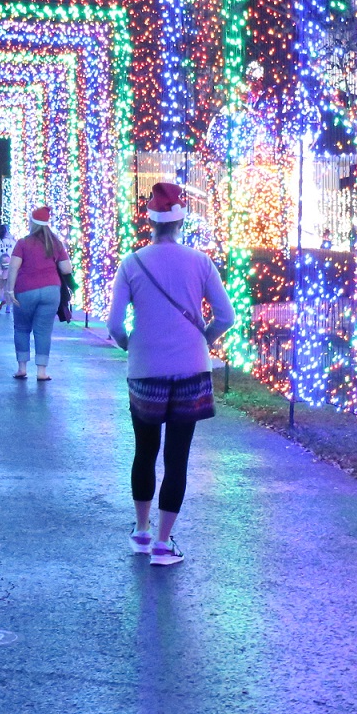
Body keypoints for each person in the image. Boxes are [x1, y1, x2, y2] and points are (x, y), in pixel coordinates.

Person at [107, 182, 232, 567]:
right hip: (191, 371)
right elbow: (226, 316)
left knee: (145, 452)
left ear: (150, 221)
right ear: (181, 221)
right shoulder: (201, 262)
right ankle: (164, 543)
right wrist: (202, 339)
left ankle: (141, 532)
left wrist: (133, 345)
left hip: (146, 372)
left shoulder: (132, 263)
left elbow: (114, 325)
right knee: (178, 457)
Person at [3, 206, 74, 381]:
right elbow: (66, 268)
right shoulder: (56, 243)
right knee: (43, 331)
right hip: (51, 291)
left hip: (25, 290)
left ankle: (22, 368)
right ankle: (41, 372)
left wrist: (9, 290)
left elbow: (13, 267)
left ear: (32, 223)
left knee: (21, 328)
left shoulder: (23, 243)